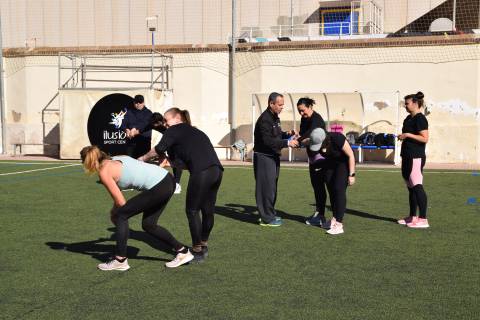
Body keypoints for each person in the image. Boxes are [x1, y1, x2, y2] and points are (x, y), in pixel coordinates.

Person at [80, 145, 193, 271]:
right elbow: (119, 197)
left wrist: (115, 214)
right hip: (168, 179)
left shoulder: (104, 172)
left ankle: (120, 260)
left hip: (159, 186)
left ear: (88, 162)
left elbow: (121, 203)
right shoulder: (118, 158)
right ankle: (183, 251)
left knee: (120, 216)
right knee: (149, 224)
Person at [138, 108, 223, 262]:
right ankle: (203, 244)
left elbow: (158, 149)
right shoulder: (194, 131)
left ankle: (197, 251)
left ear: (177, 118)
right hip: (216, 171)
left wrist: (142, 158)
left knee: (192, 211)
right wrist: (169, 162)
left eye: (166, 119)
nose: (164, 123)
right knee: (208, 210)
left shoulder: (174, 129)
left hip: (202, 172)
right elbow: (185, 164)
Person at [253, 92, 298, 227]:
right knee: (266, 188)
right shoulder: (264, 119)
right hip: (264, 157)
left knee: (272, 188)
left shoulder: (275, 118)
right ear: (271, 104)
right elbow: (267, 141)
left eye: (283, 105)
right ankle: (267, 219)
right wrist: (287, 143)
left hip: (273, 156)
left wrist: (287, 134)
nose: (281, 107)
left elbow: (276, 135)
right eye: (280, 104)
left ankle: (269, 214)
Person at [307, 128, 356, 235]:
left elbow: (351, 155)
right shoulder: (315, 141)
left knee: (338, 190)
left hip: (343, 164)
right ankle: (334, 218)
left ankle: (339, 224)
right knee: (331, 188)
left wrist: (352, 174)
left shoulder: (337, 138)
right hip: (330, 164)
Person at [397, 92, 430, 228]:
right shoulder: (408, 118)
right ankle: (412, 217)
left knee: (417, 186)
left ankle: (423, 219)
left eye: (407, 103)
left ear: (416, 103)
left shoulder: (420, 119)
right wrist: (403, 136)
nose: (405, 105)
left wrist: (408, 135)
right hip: (406, 155)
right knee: (411, 188)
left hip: (416, 156)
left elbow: (424, 138)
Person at [295, 97, 327, 226]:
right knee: (316, 186)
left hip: (322, 157)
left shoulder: (316, 119)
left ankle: (324, 216)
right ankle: (319, 214)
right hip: (312, 157)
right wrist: (297, 136)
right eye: (299, 111)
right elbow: (303, 132)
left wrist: (298, 140)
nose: (301, 114)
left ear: (310, 107)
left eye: (303, 110)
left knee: (321, 187)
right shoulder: (304, 118)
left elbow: (309, 133)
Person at [149, 112, 184, 194]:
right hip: (170, 145)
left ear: (159, 122)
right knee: (171, 160)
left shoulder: (170, 125)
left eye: (155, 124)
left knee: (177, 163)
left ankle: (177, 184)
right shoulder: (158, 126)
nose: (154, 126)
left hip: (178, 144)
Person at [121, 95, 153, 159]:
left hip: (144, 142)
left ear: (143, 103)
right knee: (130, 162)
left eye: (140, 102)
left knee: (143, 163)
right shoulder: (129, 112)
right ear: (134, 103)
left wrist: (134, 129)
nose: (138, 104)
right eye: (136, 102)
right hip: (131, 142)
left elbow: (145, 124)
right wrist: (126, 129)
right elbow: (123, 123)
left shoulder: (148, 113)